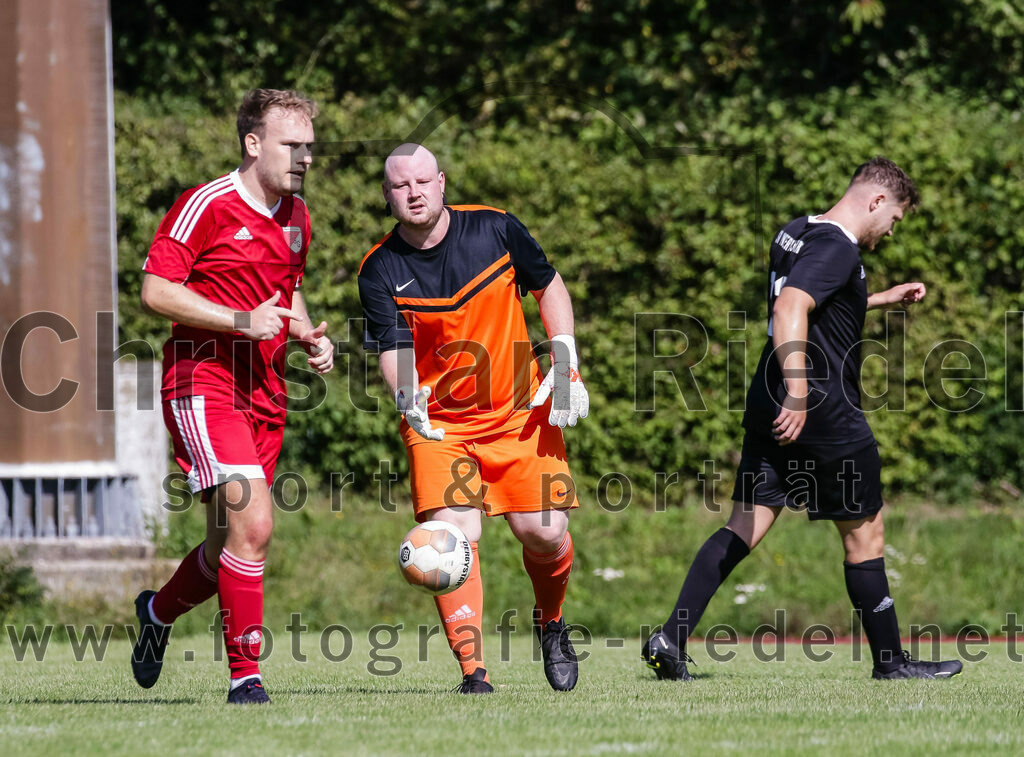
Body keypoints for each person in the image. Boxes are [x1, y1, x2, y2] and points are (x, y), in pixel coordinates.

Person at [643, 157, 963, 682]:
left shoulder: (796, 233)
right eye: (896, 220)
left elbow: (816, 302)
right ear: (877, 201)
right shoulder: (840, 248)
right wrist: (799, 392)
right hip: (821, 410)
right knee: (866, 535)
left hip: (769, 403)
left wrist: (879, 298)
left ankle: (669, 639)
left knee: (744, 525)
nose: (891, 232)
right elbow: (790, 307)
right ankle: (891, 663)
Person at [358, 144, 589, 693]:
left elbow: (547, 283)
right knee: (451, 536)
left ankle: (551, 625)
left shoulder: (497, 228)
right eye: (399, 186)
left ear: (442, 182)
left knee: (544, 533)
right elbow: (392, 346)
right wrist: (406, 397)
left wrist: (565, 360)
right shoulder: (379, 267)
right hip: (441, 426)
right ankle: (473, 673)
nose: (412, 193)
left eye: (421, 182)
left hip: (518, 412)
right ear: (388, 197)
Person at [130, 89, 333, 705]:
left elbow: (285, 291)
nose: (302, 159)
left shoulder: (296, 214)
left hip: (265, 393)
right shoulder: (206, 205)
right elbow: (156, 291)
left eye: (309, 149)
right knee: (257, 524)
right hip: (203, 382)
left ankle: (158, 613)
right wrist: (243, 322)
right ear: (252, 143)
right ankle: (246, 681)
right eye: (290, 146)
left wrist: (304, 330)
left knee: (229, 546)